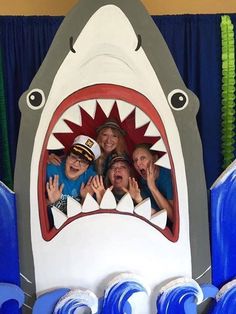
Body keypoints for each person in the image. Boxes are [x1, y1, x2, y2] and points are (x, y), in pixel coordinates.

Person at [46, 135, 101, 215]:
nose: (76, 164)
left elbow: (91, 217)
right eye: (73, 157)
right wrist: (51, 202)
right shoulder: (50, 169)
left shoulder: (91, 179)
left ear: (88, 167)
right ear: (67, 157)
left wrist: (85, 198)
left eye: (83, 161)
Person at [132, 143, 173, 221]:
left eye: (143, 158)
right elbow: (157, 215)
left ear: (155, 159)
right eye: (135, 160)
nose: (138, 163)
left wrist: (152, 187)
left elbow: (173, 217)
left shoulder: (168, 175)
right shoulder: (142, 183)